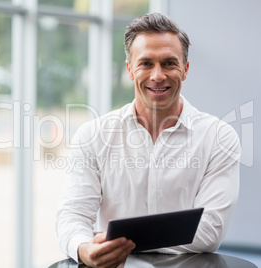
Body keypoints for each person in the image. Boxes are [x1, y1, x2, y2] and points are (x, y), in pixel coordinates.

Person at [56, 12, 240, 268]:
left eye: (168, 63)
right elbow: (73, 216)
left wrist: (111, 239)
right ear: (130, 69)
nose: (157, 75)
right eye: (146, 63)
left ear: (185, 69)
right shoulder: (92, 136)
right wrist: (84, 247)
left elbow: (209, 232)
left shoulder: (219, 138)